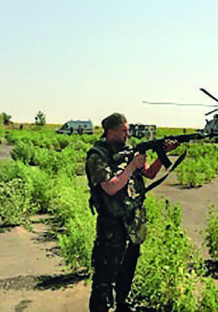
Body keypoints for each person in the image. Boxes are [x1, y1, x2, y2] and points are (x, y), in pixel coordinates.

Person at [86, 113, 178, 312]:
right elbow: (110, 187)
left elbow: (149, 173)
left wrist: (163, 154)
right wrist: (132, 166)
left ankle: (122, 304)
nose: (128, 134)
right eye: (124, 131)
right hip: (111, 225)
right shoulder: (98, 156)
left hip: (131, 221)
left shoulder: (128, 151)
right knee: (105, 274)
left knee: (127, 268)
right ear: (110, 132)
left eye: (128, 130)